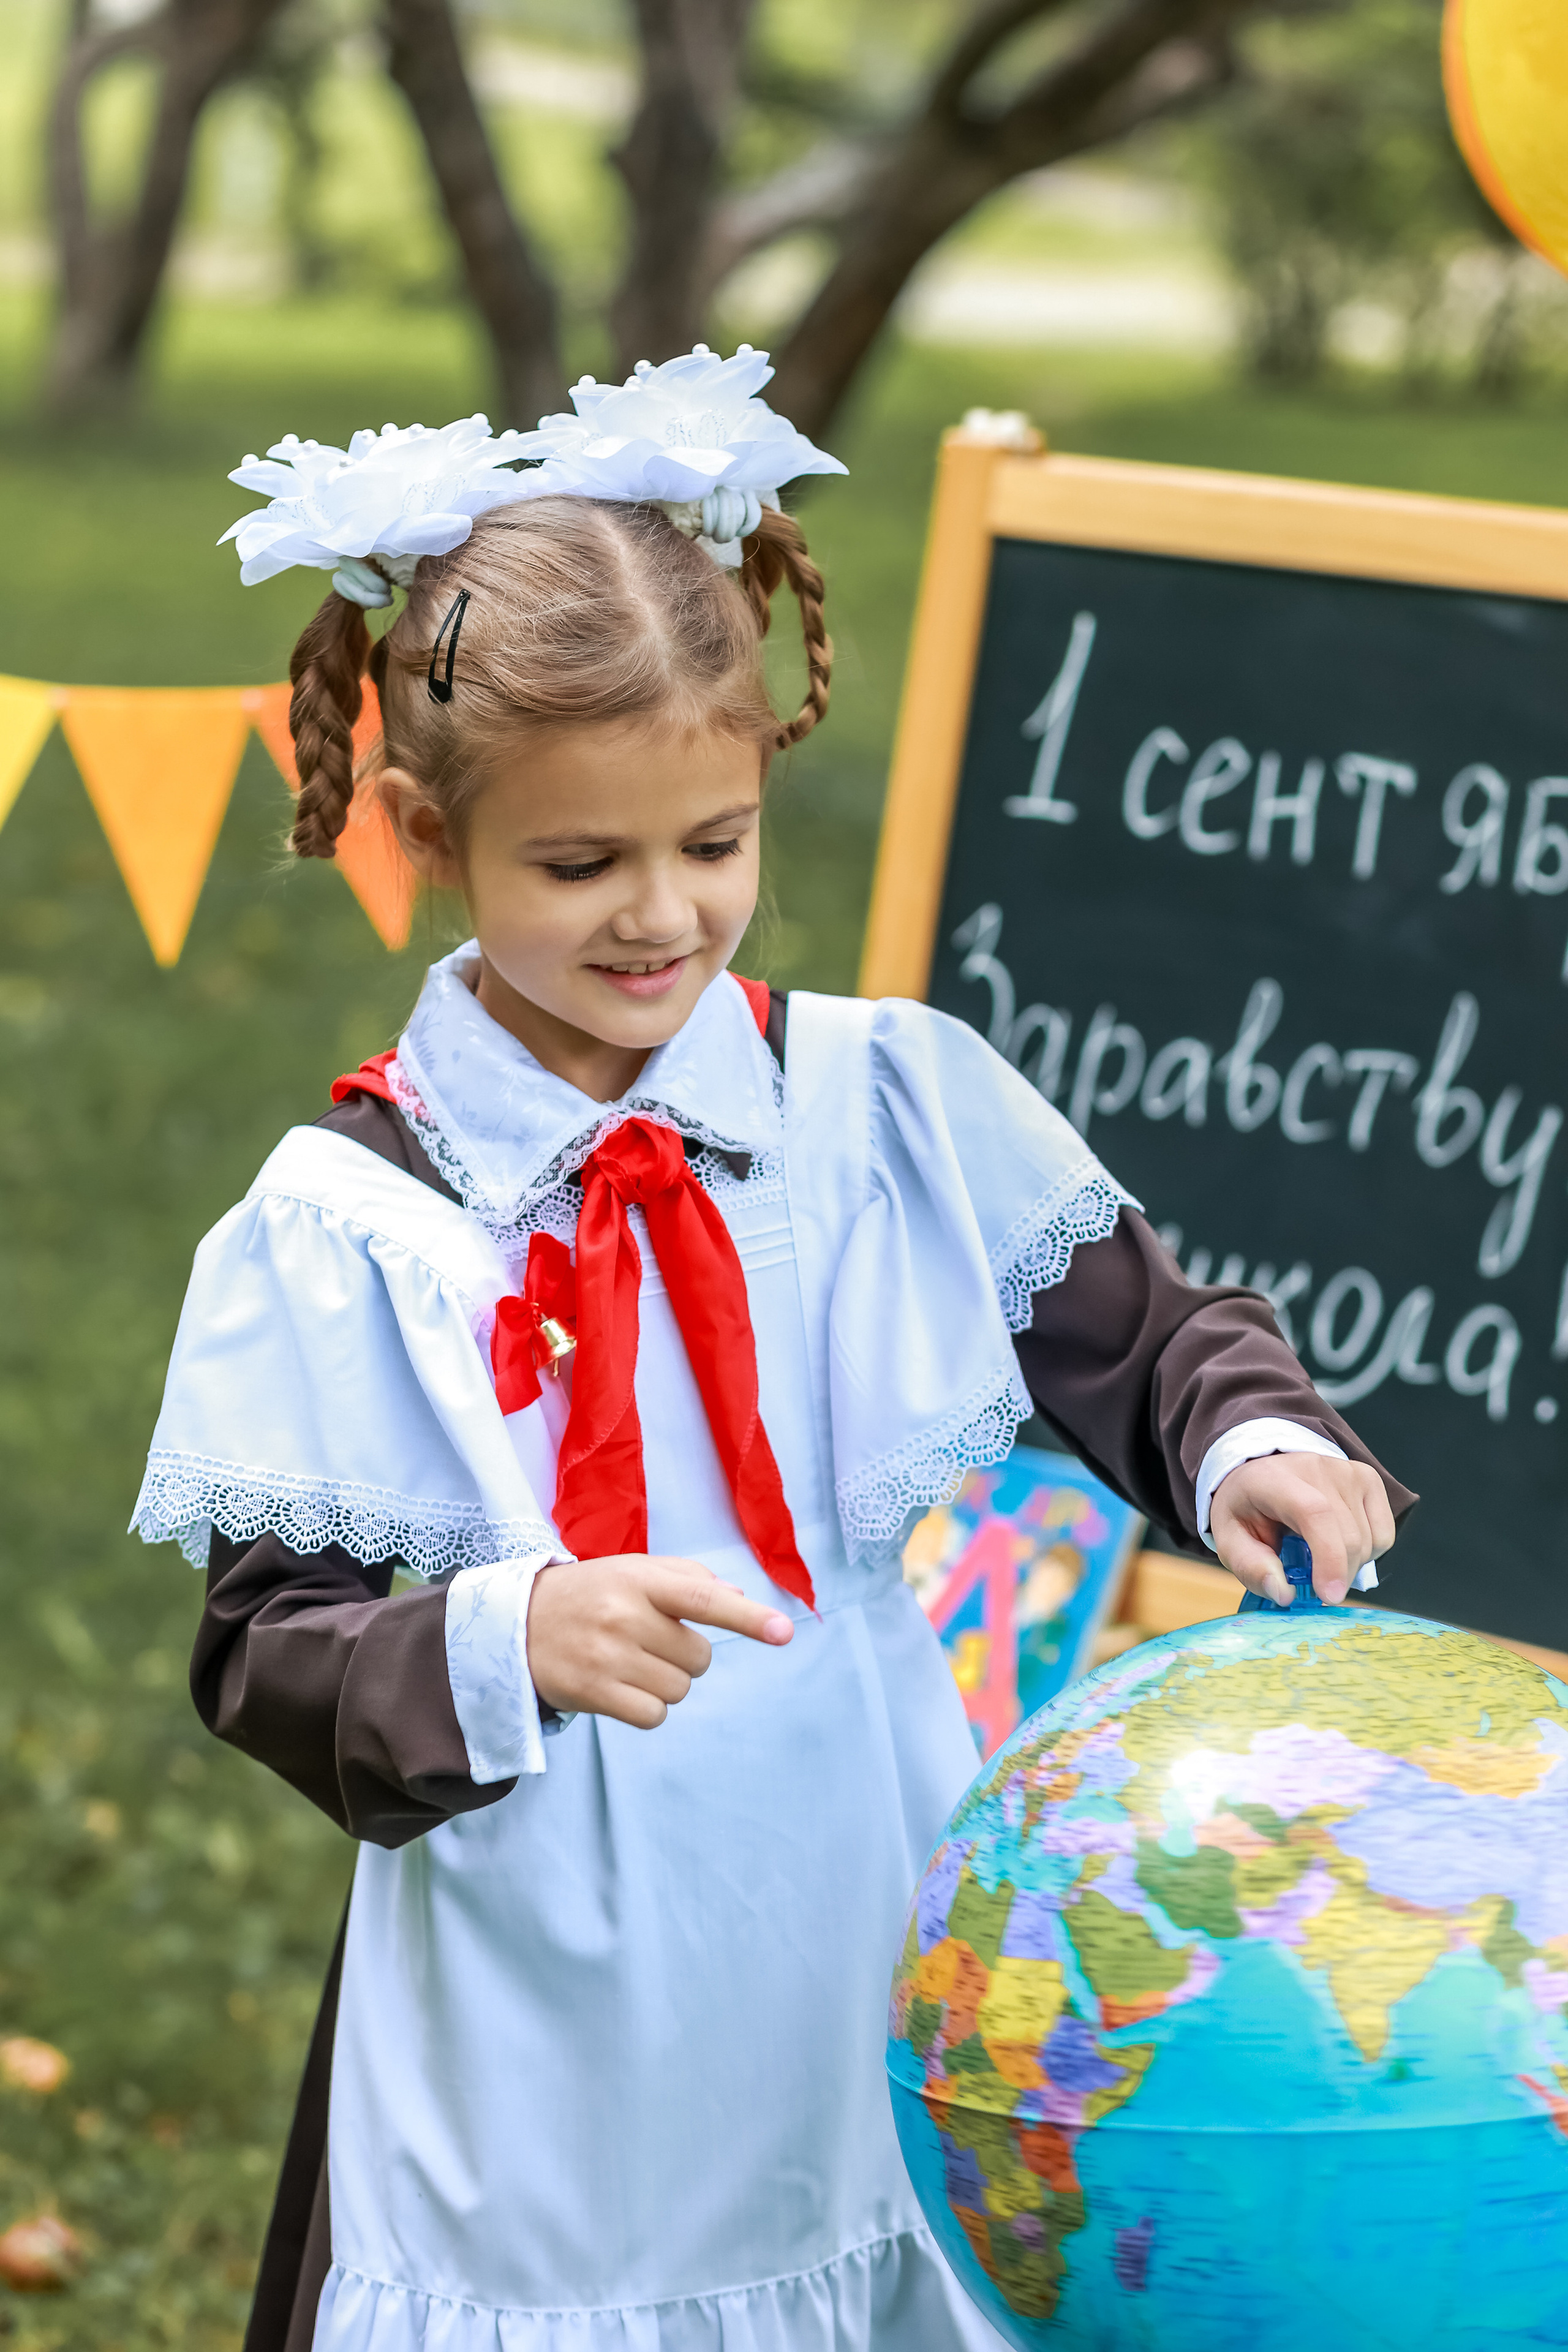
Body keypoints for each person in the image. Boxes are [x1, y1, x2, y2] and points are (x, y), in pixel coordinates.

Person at [134, 349, 1413, 2352]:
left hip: (859, 1903)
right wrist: (503, 1638)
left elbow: (1142, 1338)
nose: (665, 918)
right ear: (422, 827)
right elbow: (266, 1645)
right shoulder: (357, 1223)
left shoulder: (883, 1107)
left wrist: (1245, 1434)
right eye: (584, 866)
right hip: (545, 1992)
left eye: (714, 843)